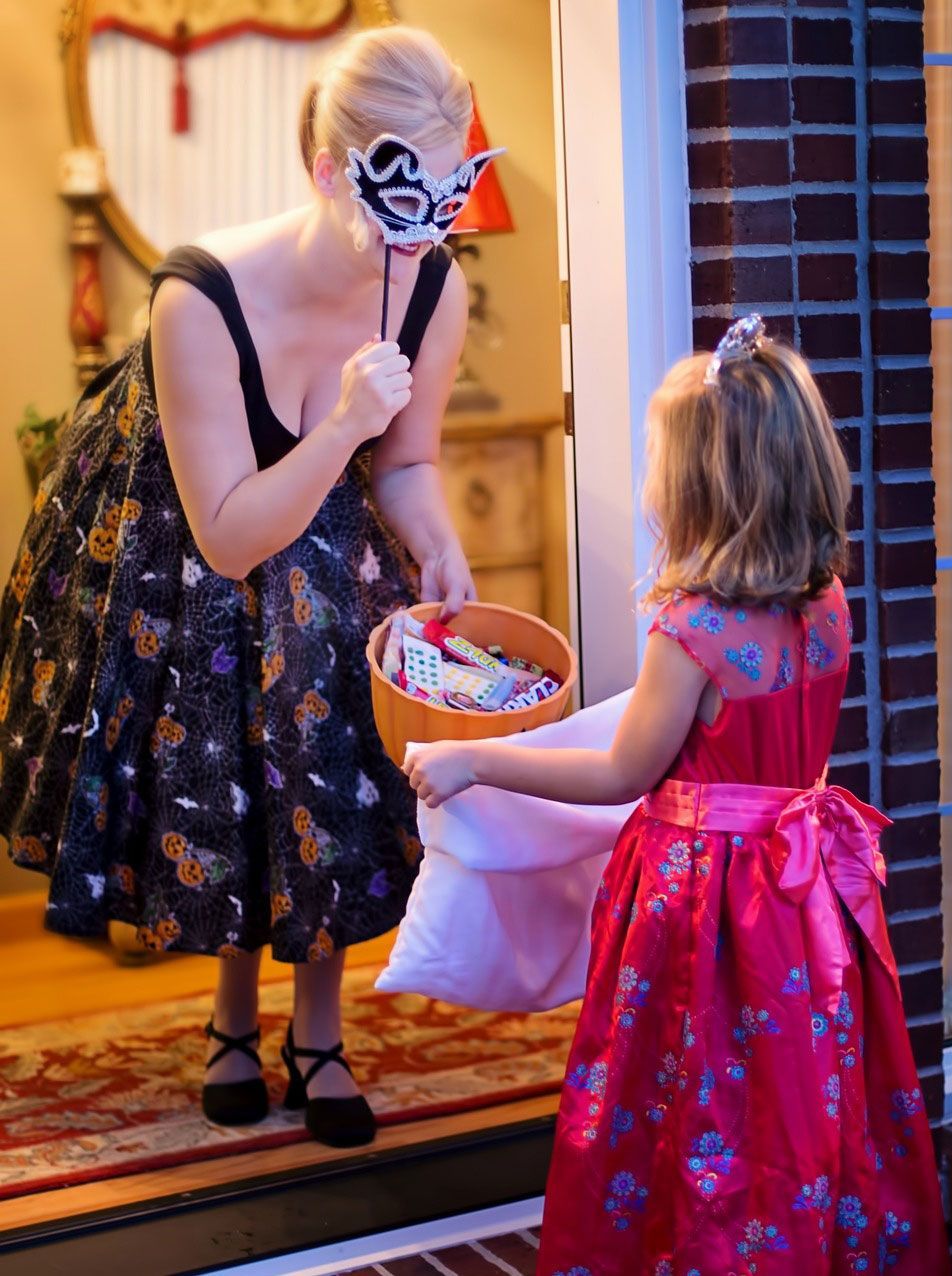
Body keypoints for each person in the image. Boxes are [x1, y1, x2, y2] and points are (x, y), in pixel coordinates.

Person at [0, 24, 477, 1149]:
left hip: (320, 506)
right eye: (403, 196)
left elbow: (405, 464)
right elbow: (228, 535)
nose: (420, 238)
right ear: (328, 171)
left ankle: (318, 1034)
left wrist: (437, 539)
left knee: (329, 744)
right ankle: (228, 1016)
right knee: (216, 747)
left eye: (447, 195)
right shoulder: (197, 298)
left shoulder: (431, 285)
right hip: (186, 518)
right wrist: (346, 422)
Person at [404, 317, 949, 1273]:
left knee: (688, 1097)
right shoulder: (825, 604)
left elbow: (621, 772)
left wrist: (476, 760)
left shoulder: (690, 629)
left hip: (703, 911)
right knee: (787, 1090)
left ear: (697, 487)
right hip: (802, 895)